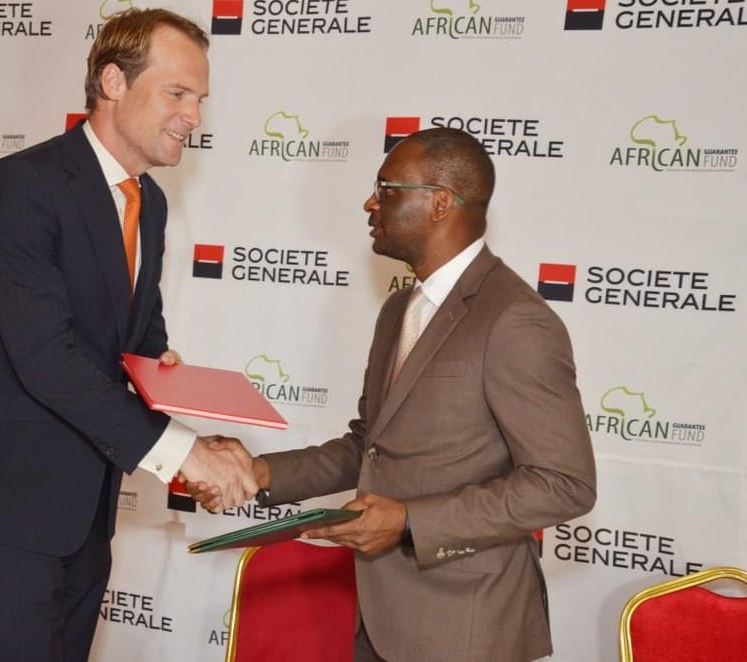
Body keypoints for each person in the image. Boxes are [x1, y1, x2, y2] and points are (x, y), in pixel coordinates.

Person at [0, 9, 257, 660]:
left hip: (87, 510)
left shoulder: (149, 202)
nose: (194, 116)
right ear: (114, 82)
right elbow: (47, 359)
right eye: (177, 94)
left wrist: (190, 421)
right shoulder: (23, 185)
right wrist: (180, 453)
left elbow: (140, 338)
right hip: (6, 507)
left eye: (200, 99)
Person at [191, 128, 597, 661]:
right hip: (379, 619)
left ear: (440, 203)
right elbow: (371, 447)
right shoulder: (398, 311)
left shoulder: (514, 319)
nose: (370, 203)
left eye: (386, 189)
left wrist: (409, 520)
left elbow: (565, 484)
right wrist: (259, 472)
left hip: (467, 630)